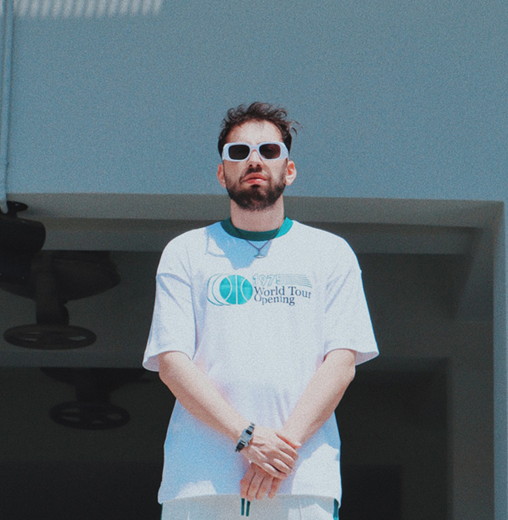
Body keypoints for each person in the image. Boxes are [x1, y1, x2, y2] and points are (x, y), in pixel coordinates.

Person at [143, 102, 378, 519]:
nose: (254, 160)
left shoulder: (331, 253)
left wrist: (279, 451)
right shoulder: (185, 252)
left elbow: (341, 363)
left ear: (289, 169)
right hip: (201, 480)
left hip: (301, 481)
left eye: (269, 151)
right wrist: (248, 439)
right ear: (222, 173)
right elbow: (172, 362)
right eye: (239, 152)